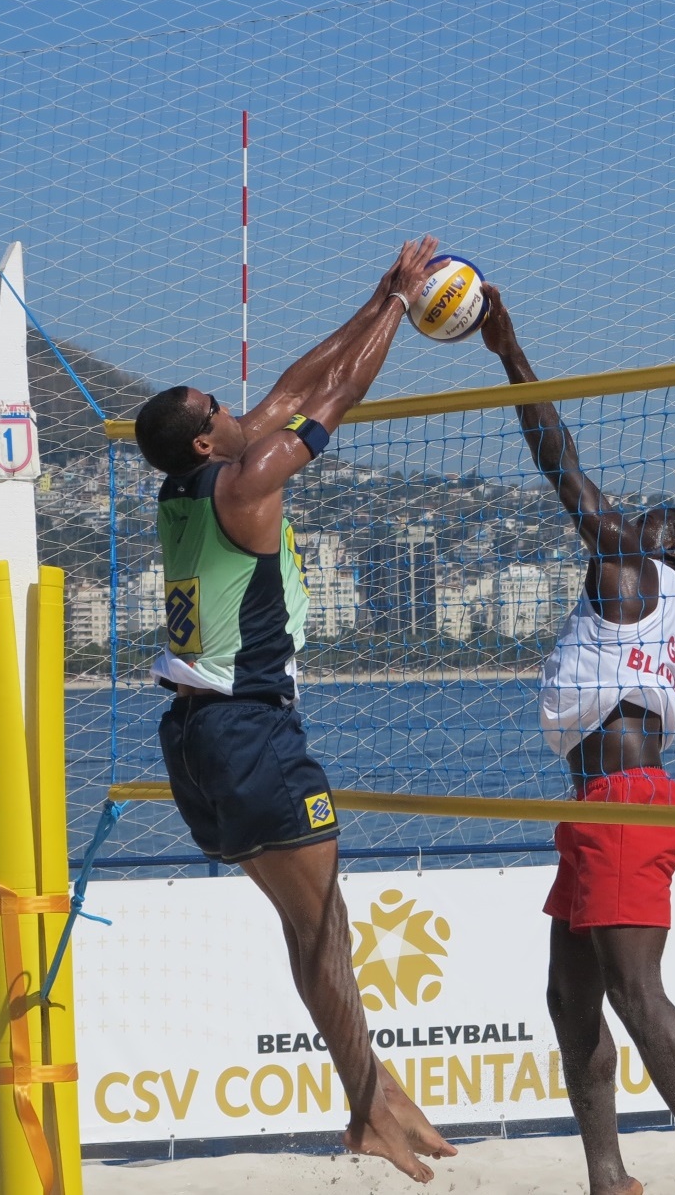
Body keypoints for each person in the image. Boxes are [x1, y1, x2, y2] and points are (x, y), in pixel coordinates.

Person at [132, 236, 454, 1184]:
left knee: (315, 928)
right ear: (207, 440)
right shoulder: (246, 482)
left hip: (196, 737)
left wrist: (373, 297)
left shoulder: (187, 487)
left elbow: (288, 387)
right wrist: (399, 310)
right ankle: (367, 1107)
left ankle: (376, 1096)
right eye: (219, 412)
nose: (240, 411)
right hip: (248, 730)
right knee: (323, 932)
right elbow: (332, 399)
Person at [481, 285, 675, 1195]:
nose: (631, 515)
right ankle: (609, 1179)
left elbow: (560, 463)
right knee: (571, 999)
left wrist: (507, 350)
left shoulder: (631, 569)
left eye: (649, 518)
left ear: (665, 548)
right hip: (604, 806)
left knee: (633, 991)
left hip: (624, 805)